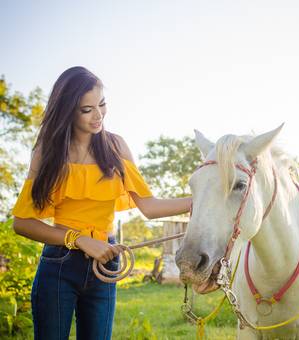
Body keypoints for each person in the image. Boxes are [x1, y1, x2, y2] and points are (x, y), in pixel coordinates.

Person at [11, 66, 191, 340]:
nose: (98, 115)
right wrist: (79, 239)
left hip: (106, 264)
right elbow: (22, 223)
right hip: (60, 262)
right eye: (87, 109)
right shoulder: (47, 151)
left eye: (102, 104)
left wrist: (200, 199)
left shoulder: (116, 147)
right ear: (68, 110)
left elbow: (150, 207)